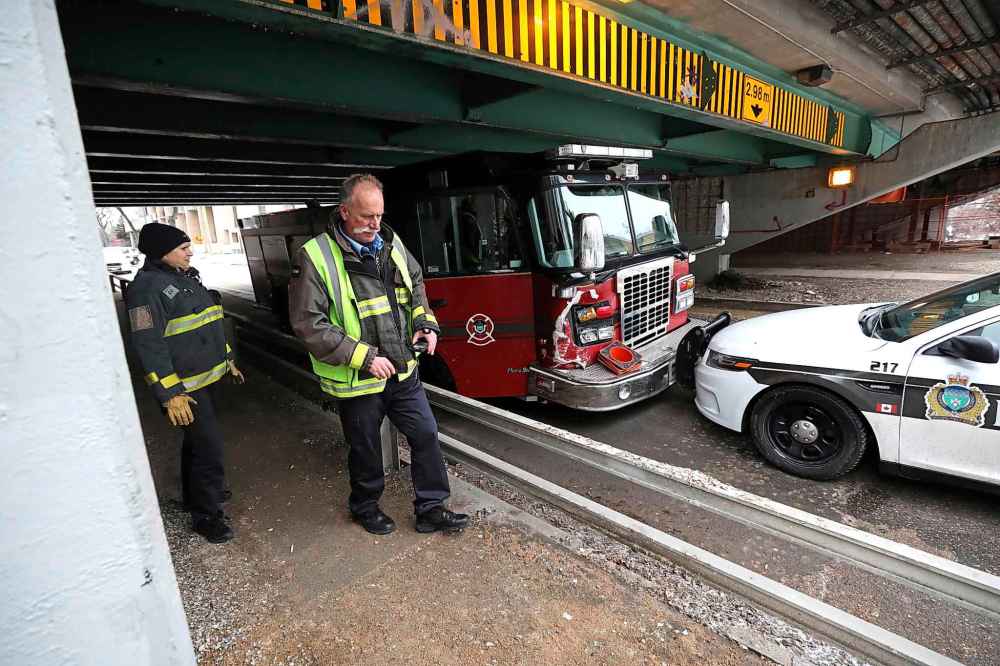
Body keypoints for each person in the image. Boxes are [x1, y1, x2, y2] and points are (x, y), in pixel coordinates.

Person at [289, 173, 469, 536]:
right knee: (365, 448)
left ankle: (431, 508)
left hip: (403, 370)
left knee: (426, 435)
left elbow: (415, 284)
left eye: (379, 216)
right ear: (343, 211)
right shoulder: (315, 256)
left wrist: (425, 323)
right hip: (360, 379)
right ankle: (365, 507)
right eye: (366, 216)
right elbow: (309, 323)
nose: (375, 224)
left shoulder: (390, 241)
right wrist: (364, 357)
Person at [126, 223, 245, 544]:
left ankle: (196, 496)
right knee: (209, 449)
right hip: (185, 390)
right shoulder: (145, 291)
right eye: (183, 248)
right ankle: (207, 516)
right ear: (162, 252)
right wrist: (169, 394)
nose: (190, 252)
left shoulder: (186, 279)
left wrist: (227, 358)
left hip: (209, 380)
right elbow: (148, 346)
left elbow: (209, 323)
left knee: (197, 444)